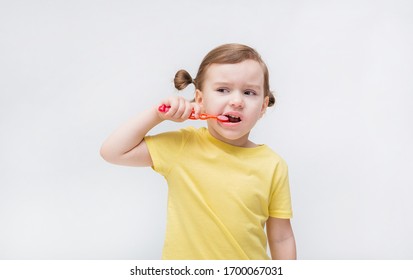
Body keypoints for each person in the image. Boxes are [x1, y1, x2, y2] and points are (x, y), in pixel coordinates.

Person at [100, 43, 296, 260]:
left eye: (249, 92)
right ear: (201, 100)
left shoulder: (273, 165)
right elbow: (113, 151)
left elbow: (281, 237)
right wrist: (158, 114)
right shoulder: (184, 145)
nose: (237, 101)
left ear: (262, 106)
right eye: (223, 90)